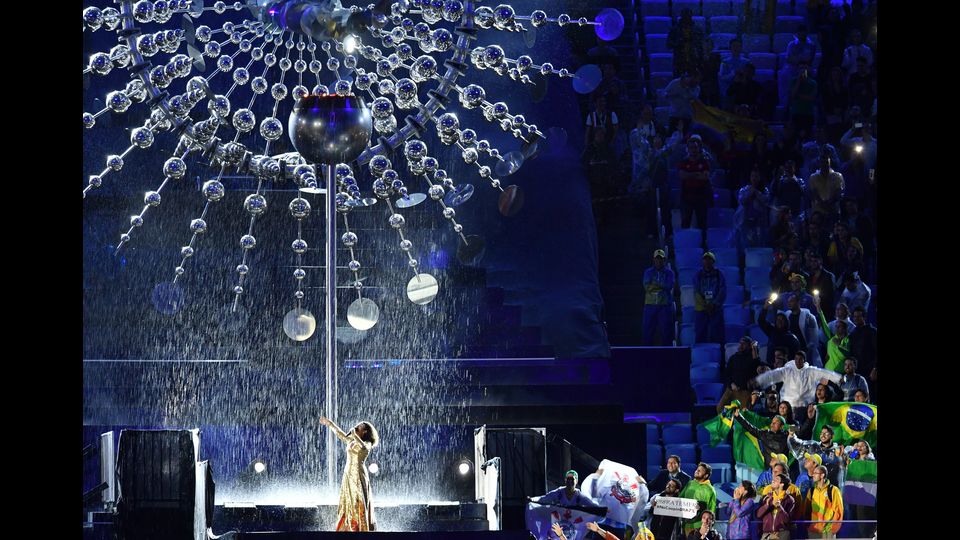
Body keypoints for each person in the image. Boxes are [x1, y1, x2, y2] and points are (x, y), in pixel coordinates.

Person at [319, 416, 380, 531]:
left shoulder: (367, 443)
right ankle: (347, 528)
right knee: (348, 501)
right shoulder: (352, 440)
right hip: (348, 474)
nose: (357, 426)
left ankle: (361, 528)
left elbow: (362, 447)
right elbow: (341, 434)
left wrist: (355, 435)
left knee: (358, 501)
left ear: (365, 431)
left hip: (358, 475)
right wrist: (330, 424)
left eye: (360, 426)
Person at [752, 350, 842, 411]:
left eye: (800, 359)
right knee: (789, 429)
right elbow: (773, 374)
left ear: (804, 360)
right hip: (788, 406)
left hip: (805, 406)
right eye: (796, 359)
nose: (798, 361)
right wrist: (759, 380)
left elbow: (825, 373)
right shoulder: (787, 370)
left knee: (800, 430)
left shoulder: (810, 371)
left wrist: (838, 378)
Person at [643, 249, 676, 345]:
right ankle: (646, 354)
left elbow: (669, 286)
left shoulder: (669, 273)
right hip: (650, 305)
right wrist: (662, 286)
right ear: (654, 259)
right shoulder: (648, 272)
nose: (659, 261)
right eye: (657, 258)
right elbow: (647, 287)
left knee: (666, 333)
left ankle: (667, 355)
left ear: (664, 260)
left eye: (661, 259)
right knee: (647, 332)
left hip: (664, 305)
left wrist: (656, 284)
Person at [694, 251, 726, 343]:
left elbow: (722, 290)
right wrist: (705, 305)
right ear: (702, 261)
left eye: (709, 260)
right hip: (701, 309)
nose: (707, 262)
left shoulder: (719, 274)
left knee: (717, 334)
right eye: (705, 259)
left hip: (716, 309)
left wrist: (714, 304)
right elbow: (696, 292)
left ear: (713, 261)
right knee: (700, 334)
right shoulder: (698, 275)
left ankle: (719, 355)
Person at [678, 463, 717, 535]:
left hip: (699, 526)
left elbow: (712, 510)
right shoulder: (690, 483)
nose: (697, 471)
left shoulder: (710, 490)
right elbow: (680, 498)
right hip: (685, 524)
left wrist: (707, 526)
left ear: (706, 475)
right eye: (697, 469)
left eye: (700, 470)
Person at [806, 466, 843, 539]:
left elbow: (838, 511)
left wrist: (832, 529)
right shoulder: (811, 490)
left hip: (828, 531)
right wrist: (808, 526)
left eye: (815, 473)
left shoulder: (833, 490)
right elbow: (806, 509)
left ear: (822, 475)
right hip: (814, 530)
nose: (813, 475)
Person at [756, 473, 796, 540]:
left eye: (776, 479)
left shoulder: (790, 500)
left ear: (782, 484)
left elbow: (787, 520)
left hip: (782, 533)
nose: (773, 480)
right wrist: (767, 505)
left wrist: (779, 507)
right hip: (767, 533)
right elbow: (758, 515)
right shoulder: (766, 497)